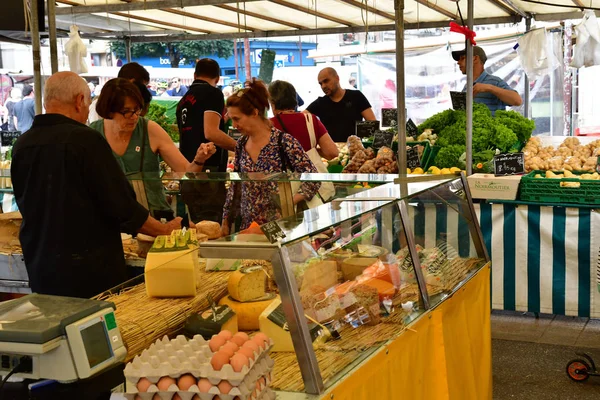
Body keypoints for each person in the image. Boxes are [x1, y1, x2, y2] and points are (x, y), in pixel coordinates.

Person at [11, 71, 183, 298]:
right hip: (88, 270)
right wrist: (162, 230)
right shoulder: (86, 140)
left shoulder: (23, 144)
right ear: (79, 101)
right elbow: (120, 205)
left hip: (41, 265)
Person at [91, 78, 216, 221]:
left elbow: (186, 172)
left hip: (155, 217)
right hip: (110, 219)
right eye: (126, 111)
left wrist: (198, 160)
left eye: (137, 110)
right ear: (109, 110)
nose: (134, 117)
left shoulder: (150, 130)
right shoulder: (93, 133)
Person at [221, 79, 320, 236]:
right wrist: (226, 221)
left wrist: (290, 200)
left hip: (279, 227)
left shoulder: (283, 141)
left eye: (237, 119)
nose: (234, 124)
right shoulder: (241, 144)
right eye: (232, 118)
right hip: (249, 227)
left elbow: (313, 177)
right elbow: (236, 186)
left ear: (254, 112)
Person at [177, 59, 236, 222]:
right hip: (208, 172)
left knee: (197, 227)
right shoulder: (213, 93)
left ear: (195, 75)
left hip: (189, 169)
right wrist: (241, 147)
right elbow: (211, 133)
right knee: (211, 227)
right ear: (217, 78)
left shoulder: (183, 100)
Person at [268, 80, 338, 160]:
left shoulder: (267, 126)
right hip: (308, 171)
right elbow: (332, 153)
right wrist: (312, 151)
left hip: (280, 172)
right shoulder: (310, 119)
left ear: (272, 102)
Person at [307, 67, 376, 143]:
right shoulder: (320, 102)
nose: (323, 86)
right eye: (321, 84)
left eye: (326, 81)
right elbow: (301, 117)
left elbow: (372, 123)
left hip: (355, 149)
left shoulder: (356, 96)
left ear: (337, 78)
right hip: (331, 152)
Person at [452, 46, 522, 114]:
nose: (458, 62)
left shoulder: (495, 82)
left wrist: (489, 88)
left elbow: (517, 100)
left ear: (475, 59)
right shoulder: (466, 86)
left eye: (463, 58)